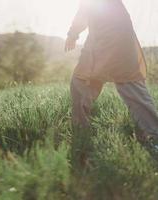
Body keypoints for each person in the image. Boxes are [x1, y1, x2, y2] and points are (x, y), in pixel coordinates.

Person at [65, 0, 158, 146]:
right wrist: (73, 32)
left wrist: (73, 33)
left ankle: (154, 134)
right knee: (85, 81)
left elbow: (86, 9)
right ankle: (81, 133)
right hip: (108, 36)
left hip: (111, 37)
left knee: (84, 81)